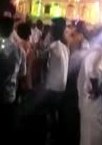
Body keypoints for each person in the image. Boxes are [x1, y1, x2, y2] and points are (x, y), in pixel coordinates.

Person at [0, 17, 26, 144]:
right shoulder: (20, 50)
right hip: (10, 95)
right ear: (12, 29)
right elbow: (22, 73)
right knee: (6, 129)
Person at [77, 27, 102, 145]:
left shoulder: (100, 53)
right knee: (91, 140)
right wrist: (98, 91)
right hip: (93, 108)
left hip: (93, 107)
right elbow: (93, 74)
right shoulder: (98, 54)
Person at [41, 17, 69, 145]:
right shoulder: (65, 47)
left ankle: (51, 136)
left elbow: (42, 60)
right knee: (57, 112)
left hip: (52, 86)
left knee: (50, 112)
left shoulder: (52, 47)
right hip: (62, 85)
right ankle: (57, 135)